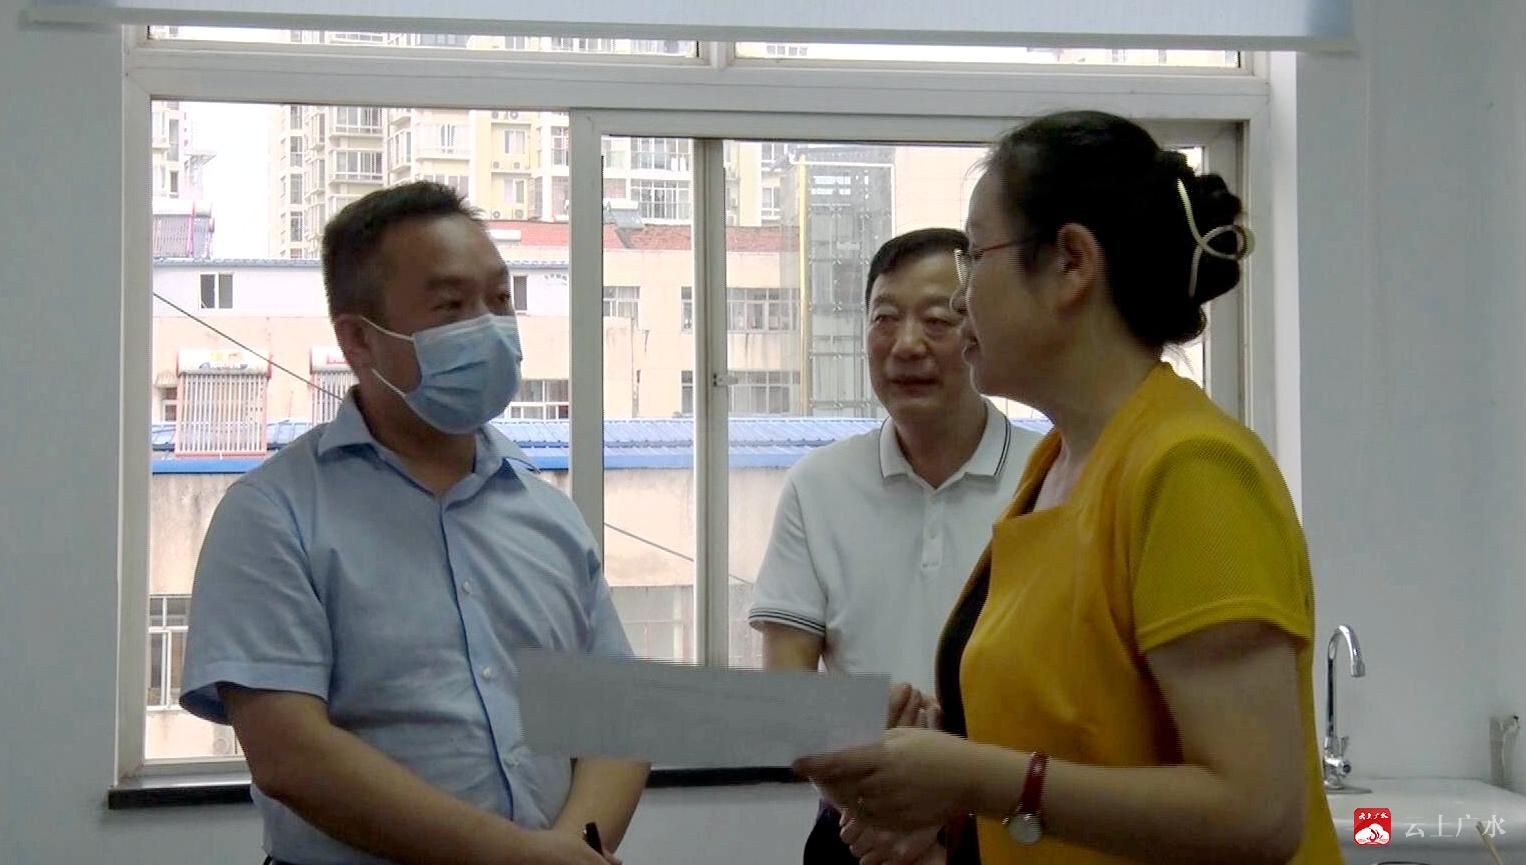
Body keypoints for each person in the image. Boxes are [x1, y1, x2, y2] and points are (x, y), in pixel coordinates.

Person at [795, 110, 1344, 865]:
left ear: (1072, 263)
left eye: (975, 257)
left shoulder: (1192, 469)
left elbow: (1257, 812)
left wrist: (973, 775)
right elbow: (1082, 744)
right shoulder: (1054, 464)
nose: (959, 300)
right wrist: (931, 768)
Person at [179, 181, 648, 865]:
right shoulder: (274, 515)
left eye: (500, 299)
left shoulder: (547, 512)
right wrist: (518, 858)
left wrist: (567, 852)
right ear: (359, 340)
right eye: (451, 306)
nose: (489, 327)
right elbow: (289, 753)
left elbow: (616, 717)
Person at [748, 228, 1041, 865]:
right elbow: (786, 701)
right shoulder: (817, 485)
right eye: (885, 318)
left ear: (981, 329)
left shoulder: (1048, 476)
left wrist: (942, 825)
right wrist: (877, 814)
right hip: (857, 832)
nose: (907, 345)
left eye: (938, 320)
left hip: (1014, 830)